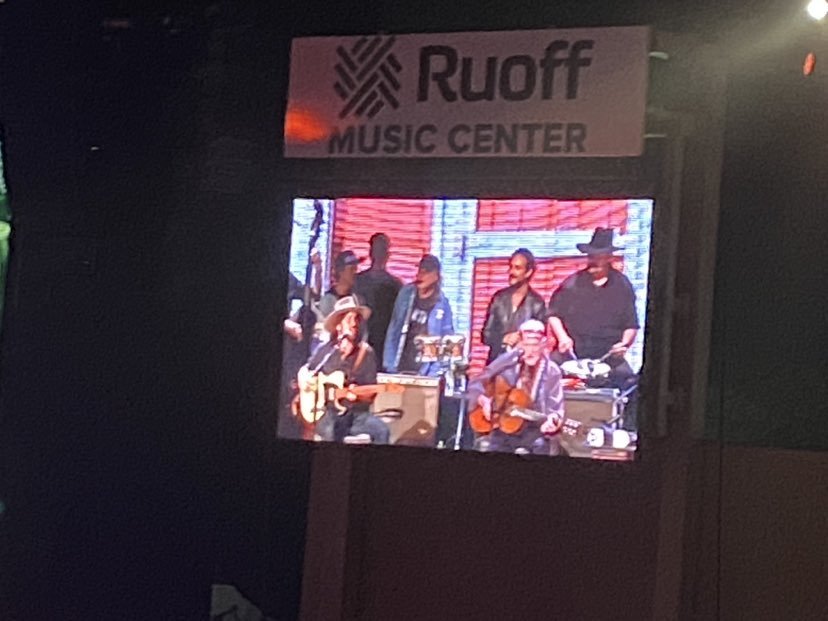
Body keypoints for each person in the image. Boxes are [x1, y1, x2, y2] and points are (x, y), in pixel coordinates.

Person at [546, 227, 639, 392]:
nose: (592, 261)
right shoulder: (572, 284)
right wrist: (563, 338)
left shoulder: (622, 286)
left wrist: (623, 344)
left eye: (598, 257)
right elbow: (553, 314)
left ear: (609, 258)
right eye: (590, 256)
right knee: (546, 373)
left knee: (629, 383)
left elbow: (631, 325)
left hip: (607, 356)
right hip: (573, 352)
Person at [467, 319, 565, 455]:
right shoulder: (508, 361)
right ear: (520, 343)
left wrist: (553, 421)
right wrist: (483, 400)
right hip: (503, 427)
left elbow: (556, 409)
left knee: (540, 447)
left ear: (543, 344)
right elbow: (476, 382)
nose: (530, 351)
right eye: (526, 345)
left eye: (535, 345)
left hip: (533, 431)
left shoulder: (551, 371)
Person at [302, 295, 390, 444]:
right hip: (327, 413)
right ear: (338, 325)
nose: (354, 323)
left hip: (356, 415)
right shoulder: (326, 350)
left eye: (357, 319)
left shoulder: (366, 353)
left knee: (382, 431)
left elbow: (371, 394)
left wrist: (357, 396)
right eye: (349, 319)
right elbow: (307, 373)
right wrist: (312, 389)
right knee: (332, 430)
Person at [383, 254, 454, 376]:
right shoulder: (406, 294)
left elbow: (446, 338)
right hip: (401, 362)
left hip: (426, 368)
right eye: (420, 270)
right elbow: (394, 327)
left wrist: (436, 371)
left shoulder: (442, 304)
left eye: (426, 272)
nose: (421, 274)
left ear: (436, 276)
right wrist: (389, 363)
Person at [481, 248, 547, 364]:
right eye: (510, 267)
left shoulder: (537, 303)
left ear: (528, 272)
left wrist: (521, 340)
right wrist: (503, 339)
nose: (511, 272)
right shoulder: (499, 298)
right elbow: (486, 335)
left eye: (517, 268)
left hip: (523, 364)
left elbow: (540, 339)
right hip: (497, 362)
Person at [354, 233, 403, 369]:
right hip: (359, 341)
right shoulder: (358, 281)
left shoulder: (395, 285)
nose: (379, 254)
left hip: (384, 344)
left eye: (382, 249)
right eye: (376, 249)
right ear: (370, 252)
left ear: (388, 254)